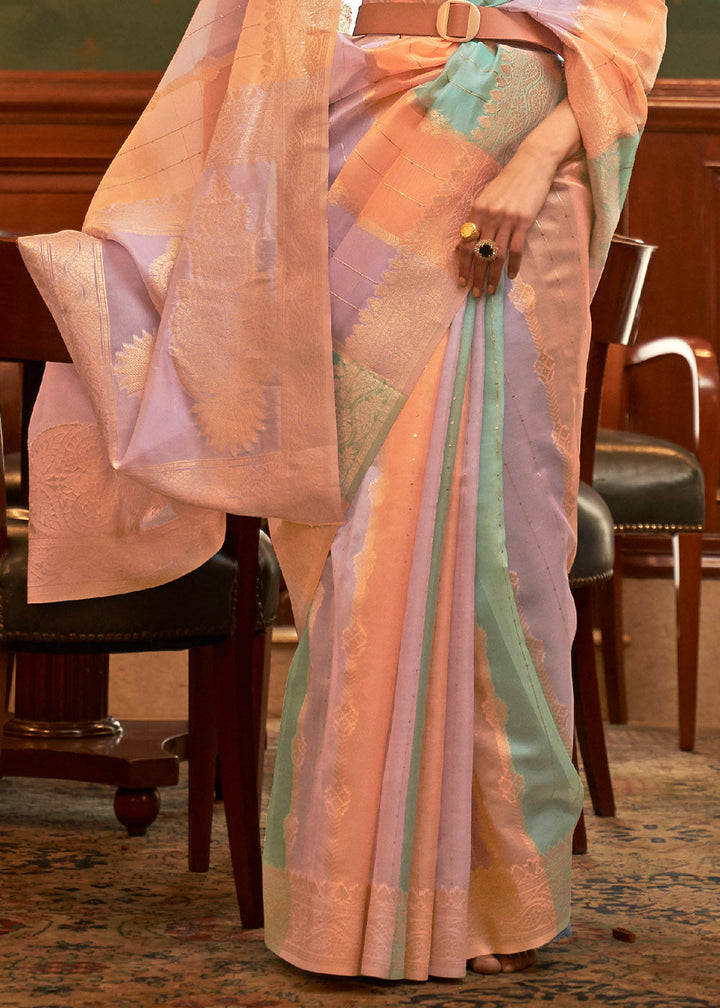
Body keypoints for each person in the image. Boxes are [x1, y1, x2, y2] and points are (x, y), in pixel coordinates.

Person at [19, 0, 666, 982]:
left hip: (522, 187)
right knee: (372, 545)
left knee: (500, 545)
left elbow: (627, 28)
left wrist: (534, 162)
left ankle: (494, 891)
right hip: (361, 182)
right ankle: (363, 901)